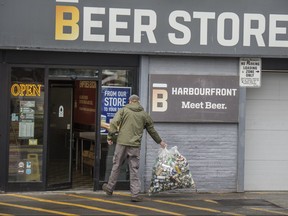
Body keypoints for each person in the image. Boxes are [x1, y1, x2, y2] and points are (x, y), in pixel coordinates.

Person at [102, 94, 167, 202]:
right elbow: (151, 130)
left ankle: (109, 188)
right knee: (134, 169)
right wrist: (160, 141)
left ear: (130, 101)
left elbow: (113, 123)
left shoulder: (123, 110)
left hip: (122, 143)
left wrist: (110, 136)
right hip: (135, 145)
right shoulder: (144, 114)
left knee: (116, 165)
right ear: (138, 102)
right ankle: (135, 195)